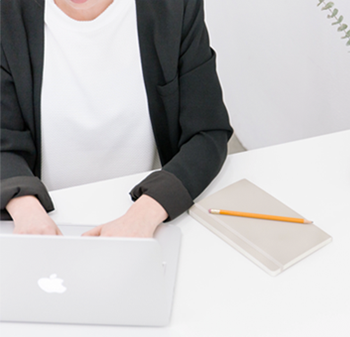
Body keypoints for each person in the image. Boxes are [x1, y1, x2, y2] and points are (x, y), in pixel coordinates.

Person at [0, 0, 233, 237]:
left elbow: (207, 131)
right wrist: (25, 206)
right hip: (44, 218)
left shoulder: (173, 8)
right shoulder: (7, 14)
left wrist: (146, 213)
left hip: (146, 213)